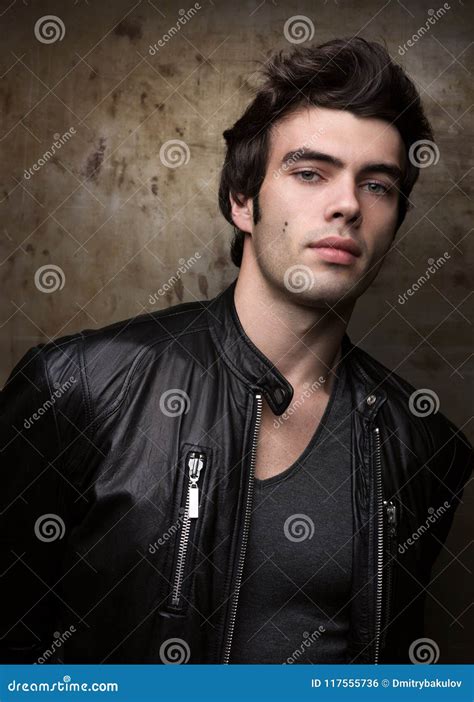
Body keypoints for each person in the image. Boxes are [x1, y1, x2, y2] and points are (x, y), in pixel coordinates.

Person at [1, 37, 472, 665]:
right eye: (310, 173)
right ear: (242, 201)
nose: (347, 205)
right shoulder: (79, 386)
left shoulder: (424, 447)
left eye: (378, 185)